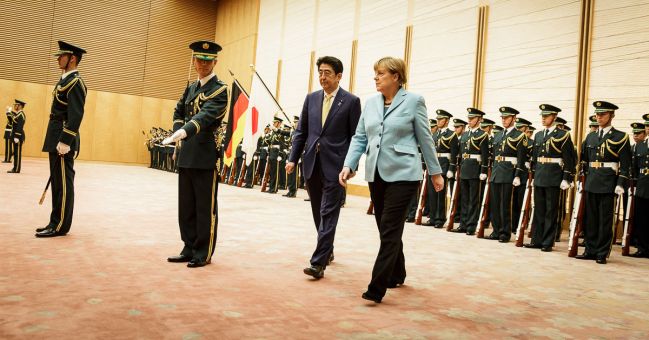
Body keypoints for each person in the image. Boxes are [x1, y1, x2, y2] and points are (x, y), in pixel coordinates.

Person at [339, 57, 443, 303]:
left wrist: (435, 172)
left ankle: (377, 286)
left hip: (404, 174)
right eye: (375, 74)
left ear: (396, 76)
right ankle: (398, 271)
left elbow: (425, 138)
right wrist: (349, 164)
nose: (376, 78)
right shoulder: (372, 103)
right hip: (376, 174)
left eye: (381, 73)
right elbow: (360, 137)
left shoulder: (414, 101)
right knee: (386, 228)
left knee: (389, 228)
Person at [286, 56, 361, 279]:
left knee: (329, 211)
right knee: (318, 211)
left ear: (339, 76)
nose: (322, 76)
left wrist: (351, 164)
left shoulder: (350, 101)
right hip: (312, 163)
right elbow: (302, 132)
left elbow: (356, 136)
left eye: (327, 72)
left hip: (336, 167)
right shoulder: (311, 98)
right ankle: (327, 248)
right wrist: (293, 158)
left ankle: (318, 263)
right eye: (320, 72)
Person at [162, 40, 228, 268]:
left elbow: (205, 116)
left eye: (208, 61)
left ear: (215, 62)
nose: (203, 64)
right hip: (187, 153)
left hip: (205, 155)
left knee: (204, 207)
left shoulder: (220, 90)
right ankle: (188, 246)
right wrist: (177, 130)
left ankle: (203, 251)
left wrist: (183, 131)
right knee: (186, 205)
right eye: (199, 59)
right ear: (194, 61)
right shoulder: (191, 87)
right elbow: (178, 110)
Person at [35, 41, 87, 238]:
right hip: (55, 134)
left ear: (72, 58)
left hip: (64, 138)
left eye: (61, 56)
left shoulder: (75, 82)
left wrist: (66, 140)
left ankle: (60, 226)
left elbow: (76, 115)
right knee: (57, 182)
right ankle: (54, 221)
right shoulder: (64, 80)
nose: (58, 58)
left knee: (64, 183)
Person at [576, 101, 631, 264]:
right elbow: (584, 160)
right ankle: (590, 249)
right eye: (597, 114)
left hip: (608, 182)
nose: (599, 117)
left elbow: (625, 164)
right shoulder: (591, 136)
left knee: (605, 219)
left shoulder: (621, 137)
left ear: (612, 115)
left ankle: (602, 252)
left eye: (603, 114)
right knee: (590, 219)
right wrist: (581, 180)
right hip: (592, 181)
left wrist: (621, 183)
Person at [523, 104, 575, 251]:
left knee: (550, 211)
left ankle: (547, 242)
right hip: (539, 175)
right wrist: (532, 175)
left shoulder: (563, 135)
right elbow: (534, 158)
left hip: (553, 176)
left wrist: (567, 178)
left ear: (555, 117)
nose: (544, 118)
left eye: (547, 116)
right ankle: (536, 240)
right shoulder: (539, 135)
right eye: (543, 116)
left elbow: (569, 159)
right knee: (538, 209)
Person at [488, 107, 528, 243]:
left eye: (507, 117)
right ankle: (496, 229)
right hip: (496, 171)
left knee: (505, 204)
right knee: (495, 203)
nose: (504, 120)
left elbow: (521, 158)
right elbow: (494, 155)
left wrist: (517, 175)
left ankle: (505, 232)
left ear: (514, 119)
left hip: (508, 172)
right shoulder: (498, 135)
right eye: (502, 117)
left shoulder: (519, 135)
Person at [452, 108, 489, 235]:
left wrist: (483, 170)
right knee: (464, 198)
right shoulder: (465, 135)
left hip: (475, 169)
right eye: (469, 118)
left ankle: (471, 225)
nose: (470, 120)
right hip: (464, 168)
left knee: (473, 199)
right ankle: (463, 223)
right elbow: (461, 154)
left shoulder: (483, 135)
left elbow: (485, 155)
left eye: (472, 118)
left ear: (479, 119)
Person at [422, 110, 458, 228]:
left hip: (444, 165)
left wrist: (451, 169)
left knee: (441, 193)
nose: (438, 121)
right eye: (437, 119)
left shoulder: (452, 135)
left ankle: (440, 218)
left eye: (440, 119)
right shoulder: (434, 134)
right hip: (433, 166)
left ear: (447, 120)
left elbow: (454, 153)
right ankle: (432, 217)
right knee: (432, 193)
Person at [629, 121, 648, 258]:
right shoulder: (640, 146)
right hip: (642, 185)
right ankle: (643, 248)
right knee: (642, 218)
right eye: (647, 126)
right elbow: (635, 168)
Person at [7, 100, 26, 173]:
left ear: (20, 106)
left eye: (16, 105)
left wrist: (17, 136)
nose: (15, 106)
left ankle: (17, 169)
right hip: (15, 135)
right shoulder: (18, 114)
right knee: (15, 153)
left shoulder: (21, 114)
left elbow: (20, 126)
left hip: (18, 136)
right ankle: (15, 168)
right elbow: (12, 121)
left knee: (17, 153)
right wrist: (8, 112)